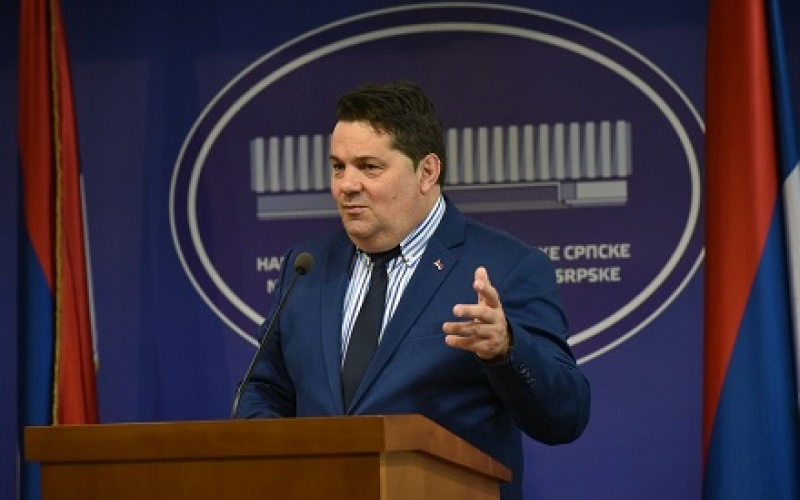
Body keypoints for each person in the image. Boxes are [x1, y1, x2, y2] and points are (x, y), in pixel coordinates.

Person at [235, 81, 591, 499]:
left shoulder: (507, 267)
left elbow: (565, 417)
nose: (346, 185)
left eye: (369, 167)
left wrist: (507, 349)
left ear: (427, 172)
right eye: (338, 166)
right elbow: (265, 389)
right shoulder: (306, 266)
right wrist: (280, 460)